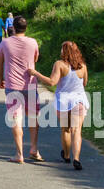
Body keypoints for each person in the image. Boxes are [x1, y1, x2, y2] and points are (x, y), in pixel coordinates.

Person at [32, 41, 89, 170]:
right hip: (79, 100)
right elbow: (84, 83)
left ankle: (67, 156)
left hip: (63, 102)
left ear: (64, 51)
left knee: (66, 130)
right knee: (77, 131)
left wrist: (36, 73)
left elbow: (52, 82)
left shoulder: (60, 64)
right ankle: (77, 158)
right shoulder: (83, 66)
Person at [0, 15, 41, 163]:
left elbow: (0, 64)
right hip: (30, 85)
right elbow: (35, 59)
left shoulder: (5, 43)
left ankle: (19, 154)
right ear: (26, 28)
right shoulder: (33, 42)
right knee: (33, 117)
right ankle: (34, 149)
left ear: (13, 28)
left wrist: (0, 79)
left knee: (16, 120)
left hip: (12, 86)